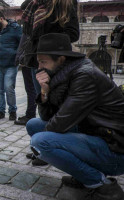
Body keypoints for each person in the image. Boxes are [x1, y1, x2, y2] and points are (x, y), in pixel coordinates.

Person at [26, 33, 124, 200]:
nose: (39, 67)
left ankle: (102, 185)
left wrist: (44, 149)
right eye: (38, 61)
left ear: (61, 60)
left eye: (43, 61)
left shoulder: (84, 75)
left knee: (41, 142)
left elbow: (60, 123)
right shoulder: (64, 74)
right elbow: (47, 117)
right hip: (95, 133)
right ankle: (82, 175)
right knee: (34, 125)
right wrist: (44, 92)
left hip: (115, 149)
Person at [15, 0, 80, 126]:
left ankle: (57, 134)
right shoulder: (33, 5)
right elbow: (28, 35)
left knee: (58, 101)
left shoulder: (64, 3)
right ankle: (47, 132)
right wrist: (24, 54)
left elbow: (73, 33)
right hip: (37, 60)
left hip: (56, 62)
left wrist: (47, 43)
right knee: (43, 100)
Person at [0, 11, 22, 120]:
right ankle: (0, 111)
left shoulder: (15, 29)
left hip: (11, 64)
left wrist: (16, 55)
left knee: (8, 88)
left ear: (1, 19)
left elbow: (22, 43)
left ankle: (12, 111)